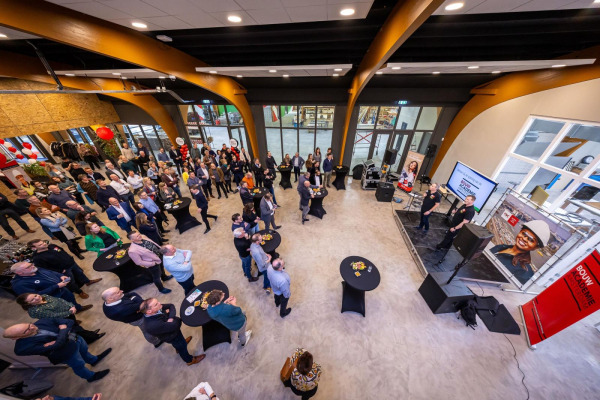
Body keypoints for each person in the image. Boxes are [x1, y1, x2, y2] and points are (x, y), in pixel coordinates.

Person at [4, 319, 111, 382]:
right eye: (26, 330)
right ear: (16, 338)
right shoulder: (23, 347)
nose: (32, 327)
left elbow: (68, 321)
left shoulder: (41, 322)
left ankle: (93, 360)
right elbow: (59, 343)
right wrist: (63, 329)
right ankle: (91, 377)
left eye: (28, 325)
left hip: (76, 339)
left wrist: (60, 336)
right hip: (67, 353)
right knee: (79, 365)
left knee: (84, 351)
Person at [16, 293, 104, 344]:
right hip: (62, 319)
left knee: (76, 325)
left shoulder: (44, 296)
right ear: (28, 304)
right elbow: (54, 316)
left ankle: (89, 334)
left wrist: (71, 306)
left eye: (35, 295)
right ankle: (91, 338)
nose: (37, 298)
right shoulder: (35, 311)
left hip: (70, 312)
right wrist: (70, 312)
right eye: (32, 300)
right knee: (75, 329)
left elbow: (60, 300)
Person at [140, 298, 205, 365]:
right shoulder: (153, 324)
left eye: (157, 302)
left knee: (180, 343)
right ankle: (189, 360)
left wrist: (170, 318)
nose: (159, 303)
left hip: (171, 332)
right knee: (182, 348)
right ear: (149, 311)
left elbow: (171, 306)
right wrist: (175, 319)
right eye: (156, 304)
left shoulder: (156, 309)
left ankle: (178, 347)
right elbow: (174, 325)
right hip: (172, 336)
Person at [29, 238, 100, 297]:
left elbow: (62, 250)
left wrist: (69, 258)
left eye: (43, 242)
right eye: (40, 244)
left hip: (71, 263)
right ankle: (79, 292)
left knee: (80, 273)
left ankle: (87, 282)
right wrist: (59, 271)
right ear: (34, 248)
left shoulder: (52, 246)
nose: (44, 244)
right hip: (64, 270)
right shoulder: (37, 258)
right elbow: (46, 269)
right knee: (70, 282)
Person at [10, 262, 91, 312]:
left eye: (31, 264)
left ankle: (78, 308)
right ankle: (72, 319)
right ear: (19, 272)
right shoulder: (20, 285)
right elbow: (36, 296)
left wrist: (61, 276)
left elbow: (50, 272)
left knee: (71, 299)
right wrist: (57, 286)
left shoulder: (35, 269)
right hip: (53, 299)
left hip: (63, 290)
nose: (32, 266)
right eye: (28, 267)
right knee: (64, 309)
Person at [490, 220, 551, 284]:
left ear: (535, 247)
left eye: (531, 240)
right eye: (524, 234)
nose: (524, 239)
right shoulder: (500, 247)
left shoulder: (525, 272)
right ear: (520, 232)